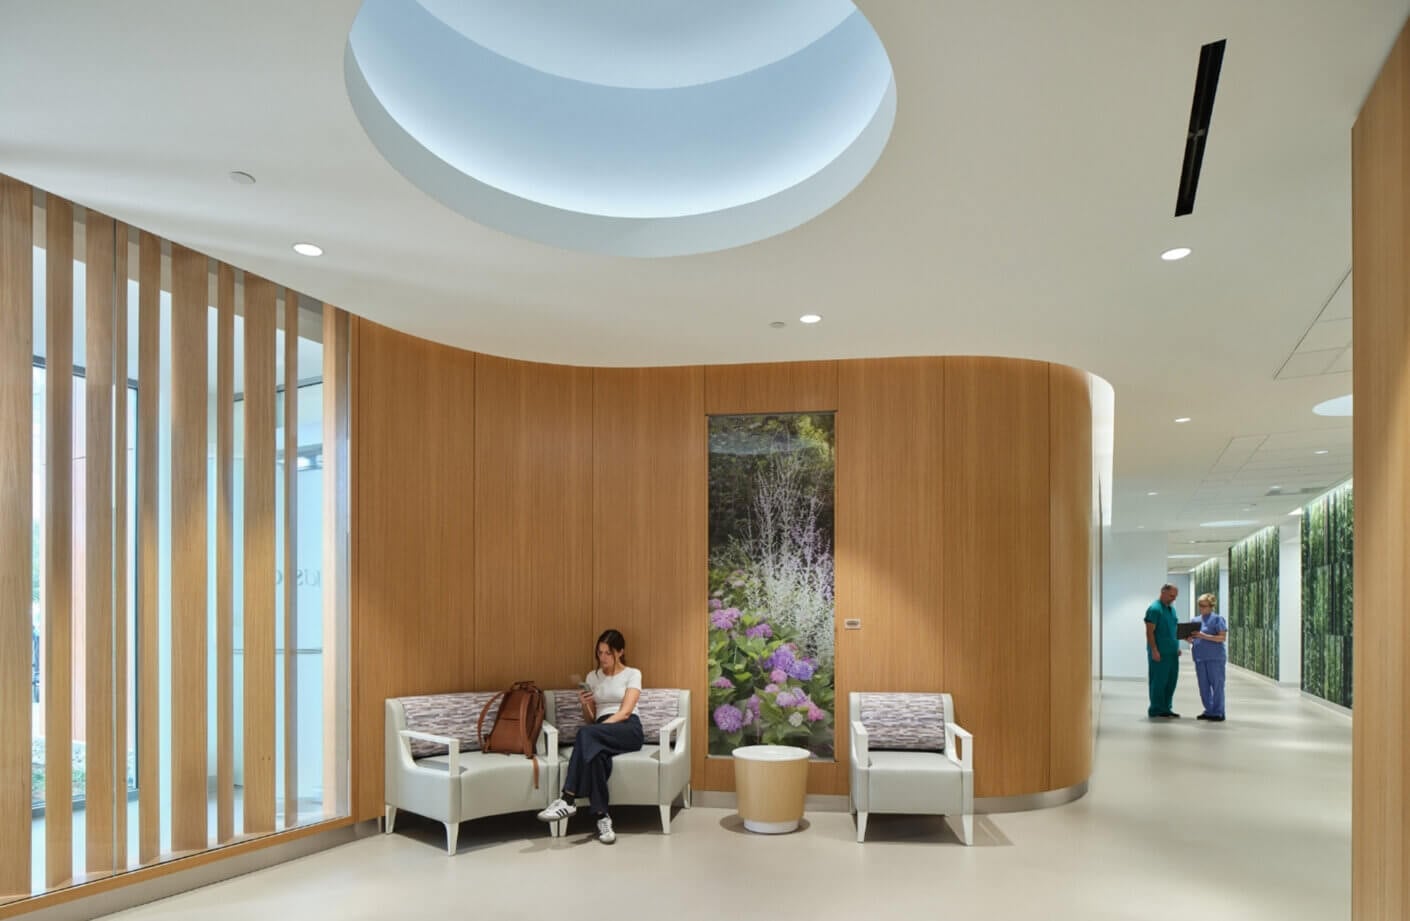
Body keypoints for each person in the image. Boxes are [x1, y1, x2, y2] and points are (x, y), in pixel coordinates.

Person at [537, 629, 643, 844]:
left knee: (587, 735)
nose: (603, 658)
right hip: (600, 729)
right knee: (596, 758)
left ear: (620, 652)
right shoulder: (592, 677)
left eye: (608, 653)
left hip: (627, 728)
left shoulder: (633, 674)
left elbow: (624, 712)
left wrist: (599, 730)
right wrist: (585, 703)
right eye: (600, 653)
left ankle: (568, 798)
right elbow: (590, 719)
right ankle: (603, 819)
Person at [1190, 593, 1228, 721]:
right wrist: (1188, 638)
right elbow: (1193, 639)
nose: (1201, 608)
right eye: (1199, 605)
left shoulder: (1218, 619)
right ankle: (1209, 710)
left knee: (1217, 685)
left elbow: (1222, 638)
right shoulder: (1195, 621)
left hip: (1215, 658)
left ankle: (1218, 712)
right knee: (1203, 686)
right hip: (1200, 657)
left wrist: (1203, 636)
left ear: (1211, 606)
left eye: (1204, 606)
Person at [1145, 583, 1181, 718]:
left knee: (1171, 681)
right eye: (1172, 595)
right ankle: (1156, 709)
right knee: (1158, 682)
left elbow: (1173, 630)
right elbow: (1149, 632)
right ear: (1163, 592)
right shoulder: (1155, 609)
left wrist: (1176, 647)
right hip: (1159, 653)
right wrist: (1154, 650)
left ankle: (1166, 708)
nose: (1173, 599)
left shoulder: (1171, 610)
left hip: (1172, 653)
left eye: (1175, 596)